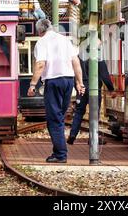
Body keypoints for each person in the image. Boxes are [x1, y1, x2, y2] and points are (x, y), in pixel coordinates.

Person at [27, 19, 85, 163]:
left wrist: (33, 84)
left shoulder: (42, 42)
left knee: (54, 119)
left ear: (40, 31)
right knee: (60, 116)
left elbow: (40, 64)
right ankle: (58, 152)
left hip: (53, 81)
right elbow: (75, 62)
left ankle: (60, 154)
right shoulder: (65, 40)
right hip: (68, 80)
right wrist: (79, 83)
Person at [67, 41, 116, 145]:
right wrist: (111, 90)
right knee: (94, 114)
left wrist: (77, 88)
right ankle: (93, 138)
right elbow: (105, 76)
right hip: (94, 90)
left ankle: (72, 135)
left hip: (82, 88)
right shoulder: (98, 58)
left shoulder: (79, 58)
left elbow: (73, 74)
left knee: (79, 112)